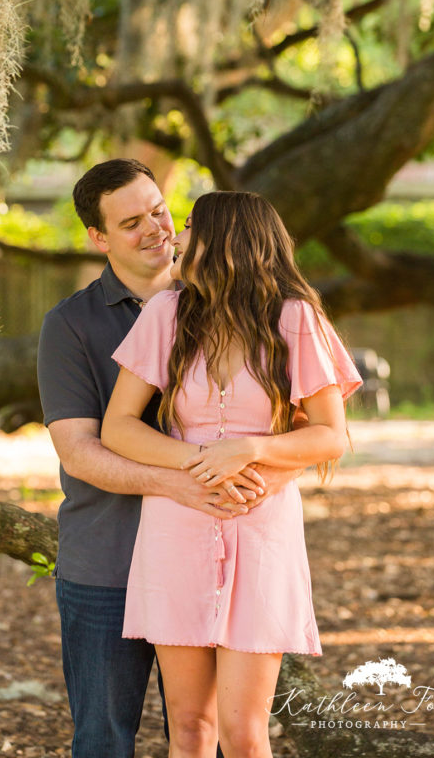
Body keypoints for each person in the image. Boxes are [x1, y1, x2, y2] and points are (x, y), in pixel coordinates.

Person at [37, 160, 299, 758]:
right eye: (131, 222)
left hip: (226, 549)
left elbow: (300, 429)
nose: (155, 228)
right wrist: (179, 482)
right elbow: (80, 451)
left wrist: (259, 474)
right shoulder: (71, 326)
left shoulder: (241, 305)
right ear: (98, 239)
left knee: (209, 728)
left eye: (159, 210)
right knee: (104, 738)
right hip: (107, 558)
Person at [101, 190, 362, 758]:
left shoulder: (296, 319)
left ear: (225, 239)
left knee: (244, 735)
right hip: (176, 527)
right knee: (190, 730)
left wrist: (245, 450)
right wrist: (195, 464)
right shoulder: (165, 314)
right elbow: (117, 428)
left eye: (190, 224)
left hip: (261, 527)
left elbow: (330, 434)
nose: (175, 234)